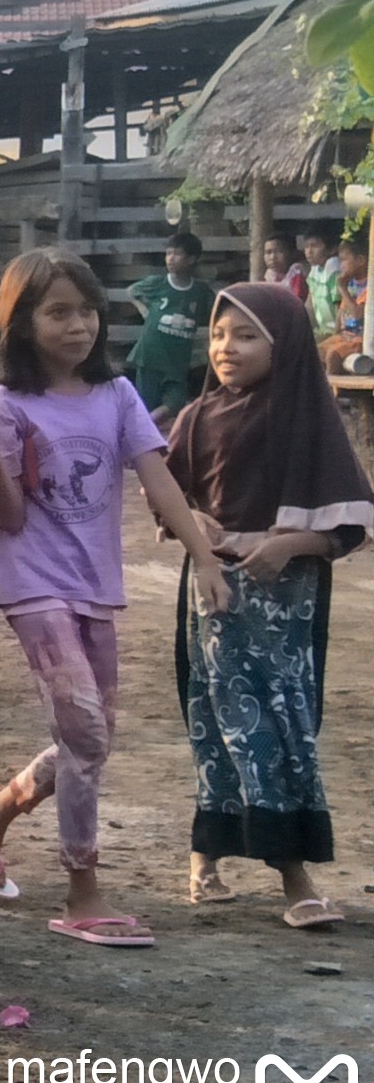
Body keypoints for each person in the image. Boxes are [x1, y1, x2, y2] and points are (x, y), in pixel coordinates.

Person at [0, 251, 230, 946]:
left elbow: (158, 481)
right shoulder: (7, 407)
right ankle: (81, 892)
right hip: (34, 585)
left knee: (87, 740)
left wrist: (203, 552)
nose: (78, 326)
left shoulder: (118, 396)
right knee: (87, 734)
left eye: (87, 310)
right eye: (57, 312)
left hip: (97, 588)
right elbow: (9, 517)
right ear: (21, 323)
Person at [165, 284, 374, 928]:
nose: (227, 348)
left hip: (287, 606)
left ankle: (273, 869)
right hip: (217, 597)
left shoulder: (310, 421)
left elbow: (347, 526)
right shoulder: (196, 418)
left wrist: (286, 546)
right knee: (221, 719)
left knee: (284, 727)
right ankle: (228, 863)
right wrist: (198, 529)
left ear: (284, 345)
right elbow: (168, 500)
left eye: (247, 335)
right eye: (219, 335)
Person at [128, 231, 213, 426]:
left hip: (177, 361)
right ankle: (144, 434)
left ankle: (145, 427)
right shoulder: (158, 283)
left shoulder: (200, 291)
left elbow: (214, 311)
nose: (171, 259)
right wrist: (144, 309)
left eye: (177, 254)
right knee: (146, 404)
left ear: (192, 259)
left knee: (176, 402)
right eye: (168, 253)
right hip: (150, 357)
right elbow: (132, 291)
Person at [318, 237, 367, 373]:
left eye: (344, 260)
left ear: (360, 261)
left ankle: (332, 392)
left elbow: (357, 315)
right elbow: (341, 313)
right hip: (343, 337)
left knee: (332, 355)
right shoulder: (350, 284)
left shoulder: (369, 287)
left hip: (359, 338)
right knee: (316, 351)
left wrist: (342, 289)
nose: (341, 266)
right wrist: (335, 335)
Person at [302, 227, 343, 337]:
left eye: (314, 246)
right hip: (322, 330)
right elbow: (310, 305)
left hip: (335, 330)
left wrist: (336, 334)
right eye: (306, 247)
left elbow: (339, 305)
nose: (309, 252)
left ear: (331, 249)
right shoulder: (314, 270)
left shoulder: (333, 267)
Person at [263, 232, 306, 301]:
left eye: (279, 251)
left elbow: (297, 300)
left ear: (291, 253)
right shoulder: (269, 275)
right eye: (268, 252)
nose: (272, 257)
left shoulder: (296, 272)